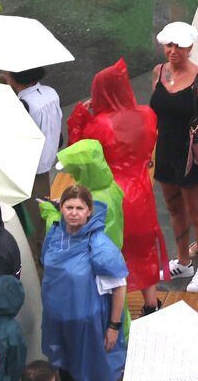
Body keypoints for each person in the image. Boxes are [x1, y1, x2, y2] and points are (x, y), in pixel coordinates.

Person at [66, 59, 168, 312]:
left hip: (111, 196)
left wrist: (79, 116)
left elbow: (77, 156)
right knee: (145, 250)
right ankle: (151, 303)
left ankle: (115, 311)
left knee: (111, 251)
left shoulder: (97, 125)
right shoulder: (147, 114)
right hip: (141, 192)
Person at [40, 184, 128, 381]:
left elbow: (119, 286)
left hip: (89, 327)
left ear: (90, 211)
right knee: (68, 376)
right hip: (60, 323)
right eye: (69, 207)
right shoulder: (55, 235)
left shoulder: (99, 245)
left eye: (80, 208)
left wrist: (113, 326)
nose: (74, 213)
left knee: (90, 380)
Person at [148, 21, 198, 293]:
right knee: (173, 208)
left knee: (197, 213)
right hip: (166, 151)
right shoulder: (158, 73)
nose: (172, 51)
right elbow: (154, 115)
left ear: (190, 47)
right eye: (169, 45)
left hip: (193, 153)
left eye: (178, 46)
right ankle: (182, 260)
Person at [1, 68, 63, 268]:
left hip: (26, 175)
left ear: (13, 76)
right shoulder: (51, 93)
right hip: (44, 169)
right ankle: (46, 264)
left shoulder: (22, 105)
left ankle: (36, 275)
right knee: (42, 221)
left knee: (28, 229)